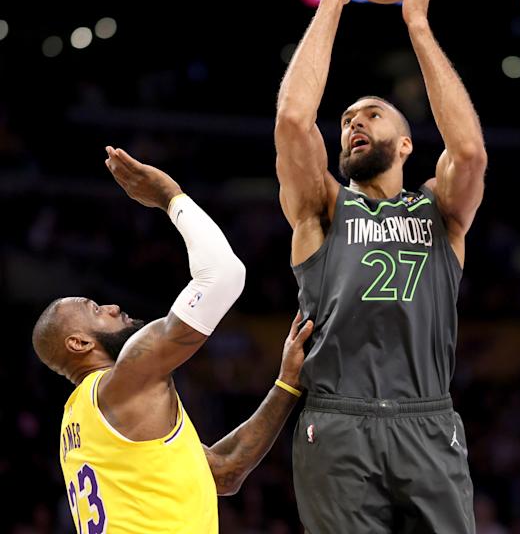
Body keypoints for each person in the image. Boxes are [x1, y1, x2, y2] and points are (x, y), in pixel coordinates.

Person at [274, 0, 486, 533]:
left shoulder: (439, 212)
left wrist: (417, 23)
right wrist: (333, 1)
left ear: (406, 144)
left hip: (427, 417)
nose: (353, 122)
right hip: (337, 419)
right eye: (346, 119)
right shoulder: (322, 208)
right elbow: (292, 120)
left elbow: (470, 152)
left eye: (371, 114)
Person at [34, 147, 315, 533]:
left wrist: (287, 383)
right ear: (79, 344)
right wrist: (170, 197)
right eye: (96, 309)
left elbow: (223, 472)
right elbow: (223, 275)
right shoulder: (126, 379)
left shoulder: (79, 421)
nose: (114, 307)